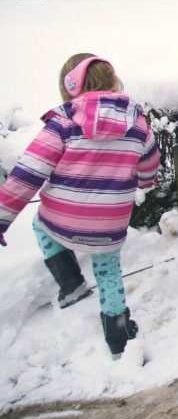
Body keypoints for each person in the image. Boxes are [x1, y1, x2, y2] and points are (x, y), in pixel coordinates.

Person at [0, 54, 160, 358]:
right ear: (113, 81)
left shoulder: (63, 122)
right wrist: (142, 181)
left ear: (71, 86)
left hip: (59, 219)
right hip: (109, 225)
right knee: (108, 270)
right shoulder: (137, 125)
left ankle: (71, 283)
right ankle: (119, 336)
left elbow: (29, 172)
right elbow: (150, 167)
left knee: (39, 224)